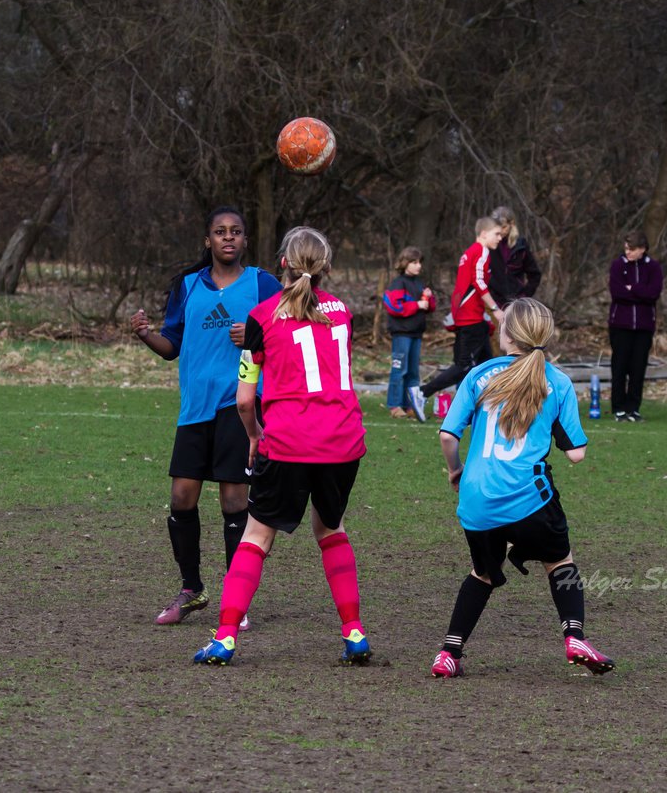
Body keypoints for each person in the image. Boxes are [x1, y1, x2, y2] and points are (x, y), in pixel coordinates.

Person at [193, 227, 371, 666]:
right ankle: (354, 633)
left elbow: (244, 398)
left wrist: (254, 435)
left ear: (283, 265)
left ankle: (225, 638)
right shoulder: (343, 312)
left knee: (256, 535)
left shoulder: (262, 316)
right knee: (332, 530)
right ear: (327, 267)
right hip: (343, 441)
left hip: (289, 441)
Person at [430, 298, 614, 678]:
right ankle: (574, 636)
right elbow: (576, 454)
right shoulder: (557, 381)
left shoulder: (480, 374)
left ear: (507, 333)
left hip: (477, 498)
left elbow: (448, 435)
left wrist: (456, 472)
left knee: (482, 573)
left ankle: (448, 654)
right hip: (530, 498)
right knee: (560, 560)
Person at [130, 207, 281, 628]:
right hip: (195, 408)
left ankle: (237, 597)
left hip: (241, 404)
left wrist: (255, 334)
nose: (228, 238)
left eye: (235, 232)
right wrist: (146, 336)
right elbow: (172, 344)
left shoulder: (263, 283)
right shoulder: (187, 286)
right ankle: (191, 588)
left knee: (234, 500)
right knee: (182, 497)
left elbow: (286, 333)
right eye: (220, 232)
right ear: (208, 241)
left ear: (245, 241)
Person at [410, 217, 507, 414]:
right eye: (497, 234)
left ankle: (486, 408)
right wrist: (495, 309)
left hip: (469, 318)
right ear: (484, 234)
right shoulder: (481, 251)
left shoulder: (469, 253)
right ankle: (421, 392)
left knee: (486, 365)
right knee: (464, 366)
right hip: (471, 319)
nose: (499, 238)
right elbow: (479, 282)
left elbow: (462, 288)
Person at [607, 230, 662, 422]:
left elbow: (653, 293)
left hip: (644, 326)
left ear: (642, 249)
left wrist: (635, 288)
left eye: (632, 249)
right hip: (620, 325)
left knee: (638, 368)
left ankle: (633, 408)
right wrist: (639, 292)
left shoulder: (653, 267)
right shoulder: (617, 265)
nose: (628, 253)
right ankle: (619, 408)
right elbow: (617, 292)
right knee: (620, 367)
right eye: (626, 249)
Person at [383, 246, 437, 421]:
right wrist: (417, 305)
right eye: (414, 262)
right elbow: (393, 307)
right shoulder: (398, 283)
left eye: (420, 262)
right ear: (405, 263)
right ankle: (394, 405)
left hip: (416, 333)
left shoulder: (419, 283)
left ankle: (411, 405)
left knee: (413, 372)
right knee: (400, 369)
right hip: (402, 334)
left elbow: (429, 307)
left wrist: (428, 299)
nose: (418, 266)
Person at [489, 206, 542, 305]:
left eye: (504, 227)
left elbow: (534, 274)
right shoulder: (489, 245)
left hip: (515, 302)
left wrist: (524, 296)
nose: (501, 231)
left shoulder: (521, 246)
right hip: (493, 304)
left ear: (512, 224)